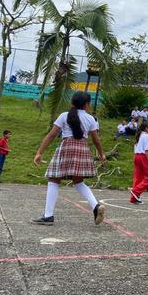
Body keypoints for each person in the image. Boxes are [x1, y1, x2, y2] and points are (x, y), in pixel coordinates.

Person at [31, 92, 106, 225]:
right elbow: (96, 140)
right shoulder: (91, 119)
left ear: (72, 103)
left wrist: (39, 152)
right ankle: (95, 206)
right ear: (87, 105)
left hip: (66, 147)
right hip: (82, 148)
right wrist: (101, 154)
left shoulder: (64, 116)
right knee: (78, 182)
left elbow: (51, 135)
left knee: (54, 179)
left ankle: (48, 216)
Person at [129, 121, 148, 204]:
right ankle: (136, 191)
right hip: (143, 157)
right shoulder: (146, 136)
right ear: (146, 128)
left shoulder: (139, 135)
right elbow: (146, 151)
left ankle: (134, 198)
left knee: (138, 177)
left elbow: (136, 148)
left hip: (136, 156)